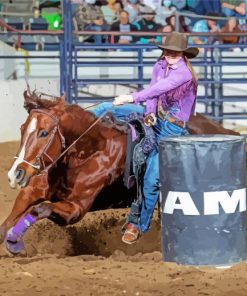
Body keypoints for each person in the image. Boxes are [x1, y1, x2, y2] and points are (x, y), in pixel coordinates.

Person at [92, 32, 199, 244]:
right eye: (167, 51)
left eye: (175, 52)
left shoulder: (184, 74)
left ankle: (138, 224)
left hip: (171, 130)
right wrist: (149, 112)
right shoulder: (160, 65)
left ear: (182, 54)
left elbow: (159, 88)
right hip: (155, 117)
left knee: (151, 180)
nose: (170, 55)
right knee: (105, 108)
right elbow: (154, 94)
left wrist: (131, 97)